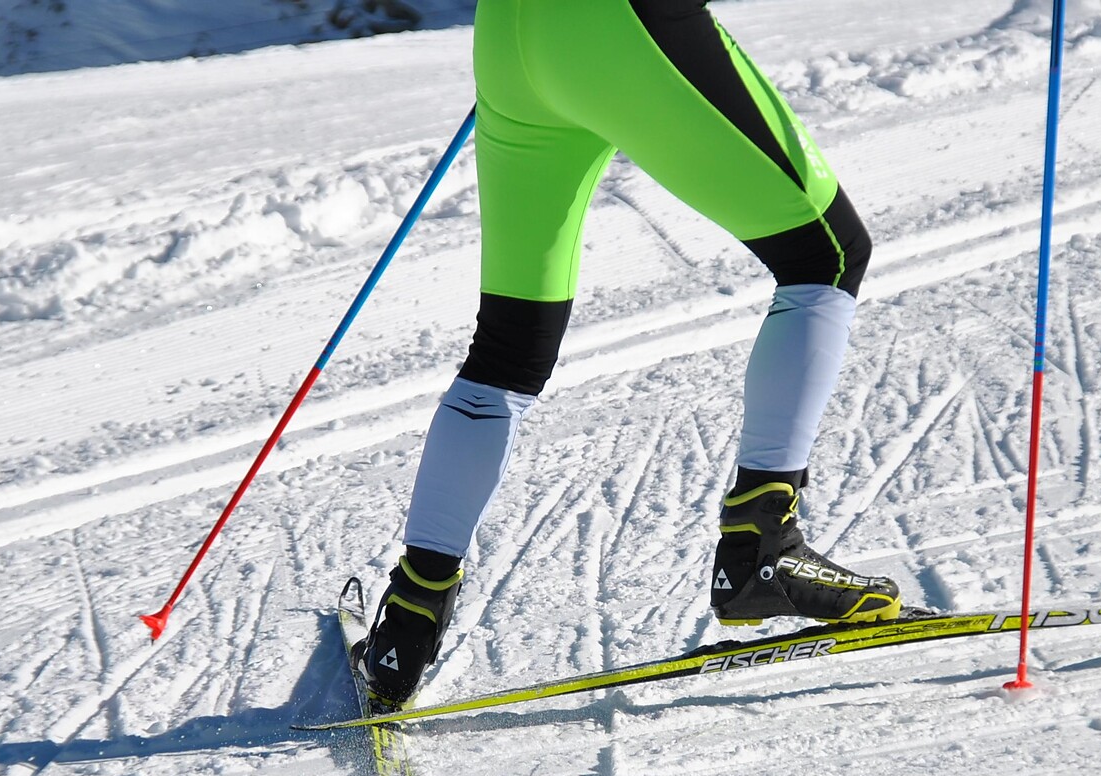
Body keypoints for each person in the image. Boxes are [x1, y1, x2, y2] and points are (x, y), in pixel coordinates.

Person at [360, 0, 900, 704]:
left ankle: (410, 618)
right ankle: (762, 546)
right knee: (827, 256)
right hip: (620, 29)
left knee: (507, 350)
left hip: (511, 36)